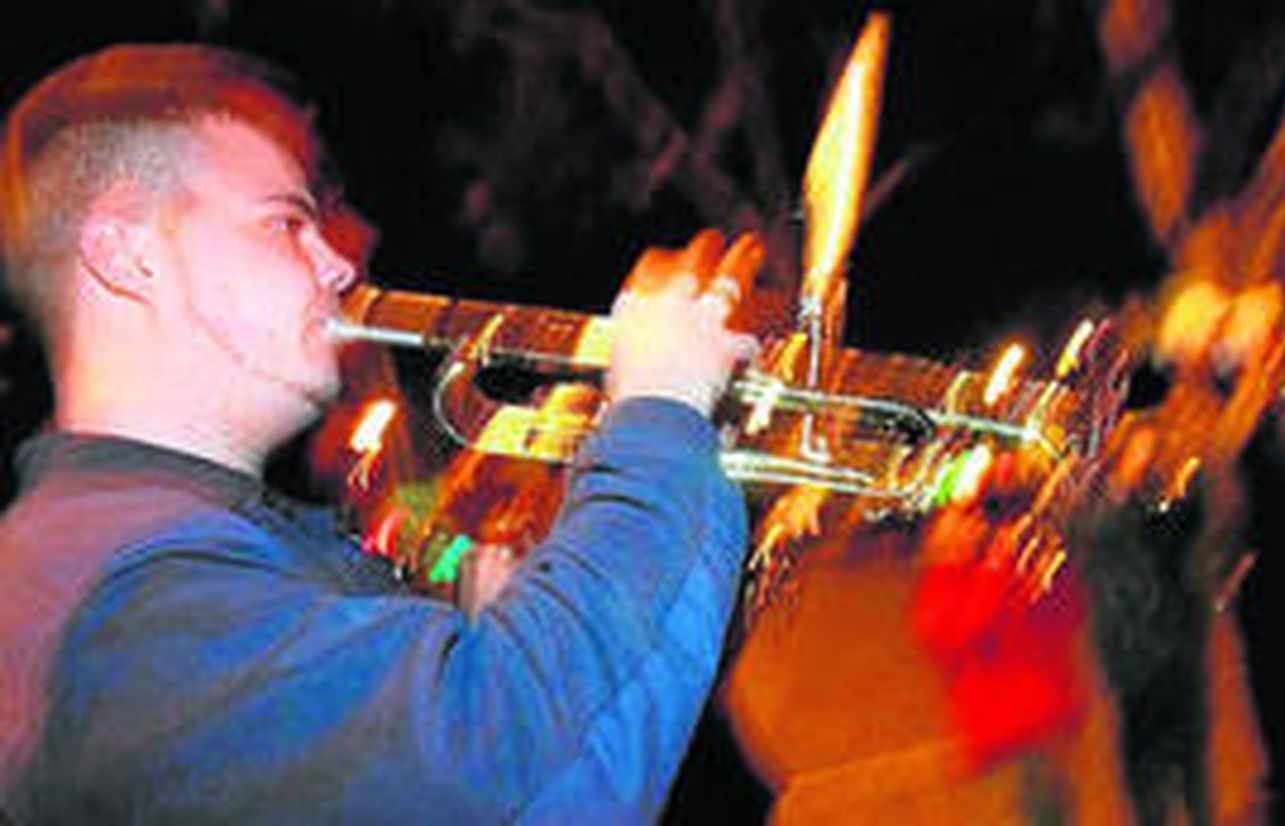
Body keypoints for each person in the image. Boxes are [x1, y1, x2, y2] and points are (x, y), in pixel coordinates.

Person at [0, 43, 758, 822]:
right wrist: (659, 414)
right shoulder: (130, 607)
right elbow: (513, 781)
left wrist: (479, 636)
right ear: (127, 252)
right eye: (286, 222)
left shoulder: (136, 556)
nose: (337, 264)